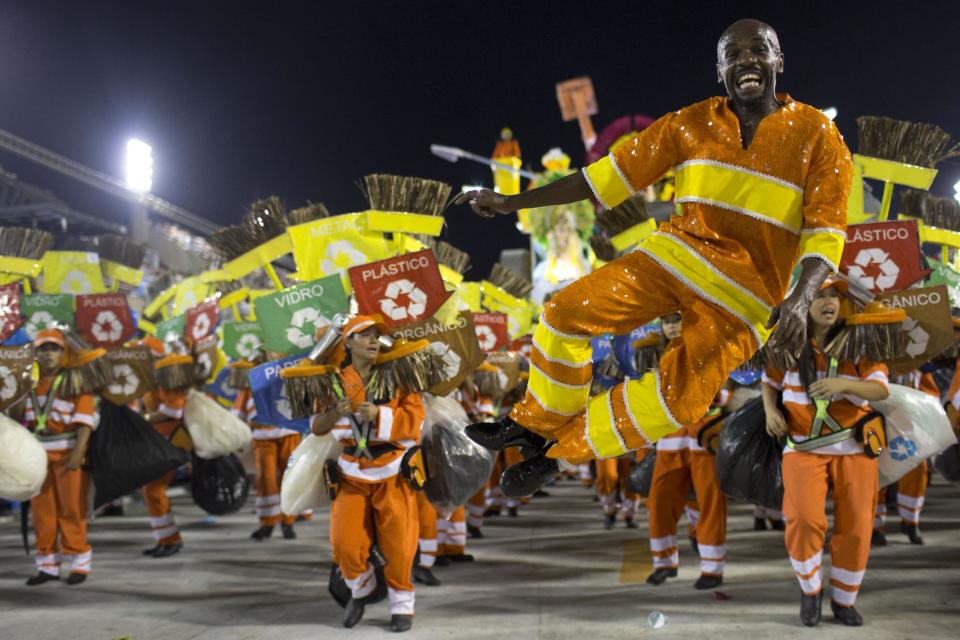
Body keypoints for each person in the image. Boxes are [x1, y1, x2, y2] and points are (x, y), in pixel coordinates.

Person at [458, 18, 852, 498]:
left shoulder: (819, 133)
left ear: (779, 61)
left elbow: (826, 231)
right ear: (719, 70)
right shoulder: (688, 123)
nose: (747, 60)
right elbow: (600, 179)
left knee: (680, 404)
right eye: (734, 53)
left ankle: (558, 453)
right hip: (675, 257)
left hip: (746, 298)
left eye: (759, 50)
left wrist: (799, 297)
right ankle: (534, 425)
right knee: (562, 313)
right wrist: (512, 203)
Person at [763, 281, 889, 627]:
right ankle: (810, 590)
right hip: (802, 449)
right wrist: (770, 411)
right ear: (804, 303)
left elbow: (879, 389)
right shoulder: (788, 342)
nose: (828, 301)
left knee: (858, 527)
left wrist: (843, 385)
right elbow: (769, 380)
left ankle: (845, 600)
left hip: (854, 450)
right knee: (803, 520)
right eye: (818, 295)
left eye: (833, 295)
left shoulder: (860, 339)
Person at [312, 315, 424, 633]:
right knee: (344, 544)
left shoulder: (397, 376)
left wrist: (381, 414)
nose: (373, 341)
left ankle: (402, 605)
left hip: (392, 471)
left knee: (400, 545)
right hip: (350, 473)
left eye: (376, 336)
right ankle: (362, 591)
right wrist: (336, 411)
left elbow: (416, 418)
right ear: (347, 343)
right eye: (364, 336)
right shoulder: (333, 381)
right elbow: (317, 427)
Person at [646, 315, 730, 589]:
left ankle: (712, 568)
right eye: (667, 321)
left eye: (678, 320)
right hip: (669, 439)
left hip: (703, 438)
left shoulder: (710, 349)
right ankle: (664, 562)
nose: (671, 326)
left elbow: (726, 392)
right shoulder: (649, 356)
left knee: (710, 503)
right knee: (659, 502)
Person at [22, 329, 97, 585]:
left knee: (72, 510)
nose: (48, 354)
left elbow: (85, 423)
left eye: (53, 349)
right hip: (37, 457)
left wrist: (79, 454)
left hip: (67, 455)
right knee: (42, 512)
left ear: (63, 353)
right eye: (43, 349)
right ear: (36, 354)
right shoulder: (27, 383)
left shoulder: (75, 381)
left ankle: (78, 563)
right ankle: (47, 566)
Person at [231, 357, 302, 541]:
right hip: (263, 439)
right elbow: (238, 415)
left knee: (291, 477)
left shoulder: (289, 373)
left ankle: (288, 522)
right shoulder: (250, 382)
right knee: (266, 479)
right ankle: (267, 523)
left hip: (289, 434)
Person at [873, 369, 939, 546]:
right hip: (876, 424)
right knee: (876, 474)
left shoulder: (918, 365)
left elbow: (931, 395)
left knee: (917, 471)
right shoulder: (871, 358)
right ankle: (874, 526)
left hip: (907, 428)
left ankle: (910, 522)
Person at [140, 352, 195, 558]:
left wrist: (144, 418)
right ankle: (165, 538)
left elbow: (174, 412)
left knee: (154, 490)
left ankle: (171, 540)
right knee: (151, 491)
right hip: (160, 445)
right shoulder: (155, 383)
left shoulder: (169, 383)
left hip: (171, 445)